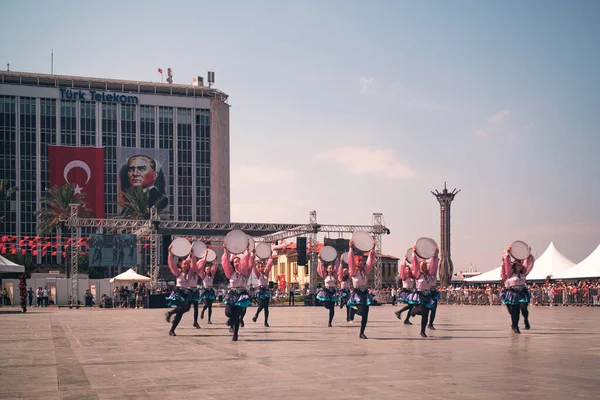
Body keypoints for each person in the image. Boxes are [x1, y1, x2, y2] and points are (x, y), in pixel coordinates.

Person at [500, 244, 535, 334]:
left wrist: (528, 252)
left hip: (522, 292)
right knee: (514, 312)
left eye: (520, 264)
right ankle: (515, 326)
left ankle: (526, 319)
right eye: (518, 265)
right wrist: (507, 252)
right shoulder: (510, 273)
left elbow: (529, 262)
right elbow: (507, 262)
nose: (519, 266)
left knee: (524, 309)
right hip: (512, 293)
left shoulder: (524, 272)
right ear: (514, 265)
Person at [165, 243, 198, 336]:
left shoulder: (190, 273)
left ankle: (172, 330)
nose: (186, 265)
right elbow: (171, 264)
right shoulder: (178, 272)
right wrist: (169, 252)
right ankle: (170, 313)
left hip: (187, 293)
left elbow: (194, 264)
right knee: (184, 307)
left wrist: (192, 254)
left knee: (182, 311)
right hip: (179, 292)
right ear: (181, 265)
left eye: (187, 264)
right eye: (184, 264)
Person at [221, 243, 252, 341]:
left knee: (237, 315)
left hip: (242, 295)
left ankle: (235, 334)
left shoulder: (246, 273)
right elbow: (225, 262)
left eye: (239, 261)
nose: (237, 263)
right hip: (232, 294)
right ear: (233, 264)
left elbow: (249, 261)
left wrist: (247, 250)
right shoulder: (231, 273)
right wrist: (226, 251)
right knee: (228, 313)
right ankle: (231, 321)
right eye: (235, 262)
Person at [347, 239, 376, 339]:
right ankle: (353, 311)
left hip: (365, 293)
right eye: (359, 261)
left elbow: (370, 261)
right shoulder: (353, 271)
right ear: (355, 262)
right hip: (357, 293)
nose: (361, 262)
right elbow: (350, 261)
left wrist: (372, 249)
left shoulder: (365, 271)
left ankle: (362, 332)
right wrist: (351, 249)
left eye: (362, 261)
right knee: (361, 311)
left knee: (366, 314)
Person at [410, 246, 439, 338]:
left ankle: (423, 331)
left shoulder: (429, 275)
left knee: (425, 314)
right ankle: (413, 311)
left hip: (428, 295)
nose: (424, 266)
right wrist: (414, 254)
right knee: (421, 311)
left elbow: (434, 265)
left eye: (425, 265)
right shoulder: (418, 275)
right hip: (420, 295)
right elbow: (414, 264)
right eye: (422, 265)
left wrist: (435, 254)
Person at [395, 253, 419, 325]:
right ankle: (400, 312)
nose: (407, 270)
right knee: (411, 305)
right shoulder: (404, 277)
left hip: (410, 292)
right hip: (405, 292)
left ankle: (406, 319)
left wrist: (415, 259)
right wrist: (405, 260)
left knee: (412, 306)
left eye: (408, 269)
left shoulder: (412, 277)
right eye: (406, 269)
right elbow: (402, 267)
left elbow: (415, 268)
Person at [317, 256, 340, 327]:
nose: (331, 269)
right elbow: (321, 268)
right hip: (326, 291)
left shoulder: (335, 275)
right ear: (327, 269)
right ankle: (322, 302)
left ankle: (330, 322)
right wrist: (320, 259)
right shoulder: (325, 275)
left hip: (332, 291)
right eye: (329, 268)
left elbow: (337, 267)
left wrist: (336, 259)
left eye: (332, 268)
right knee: (327, 305)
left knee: (332, 309)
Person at [251, 255, 274, 327]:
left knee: (266, 307)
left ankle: (266, 322)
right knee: (261, 305)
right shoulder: (258, 274)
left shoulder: (266, 273)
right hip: (260, 291)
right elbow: (253, 267)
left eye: (262, 266)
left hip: (266, 290)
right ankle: (256, 315)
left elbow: (269, 264)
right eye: (259, 266)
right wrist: (255, 261)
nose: (261, 267)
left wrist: (270, 255)